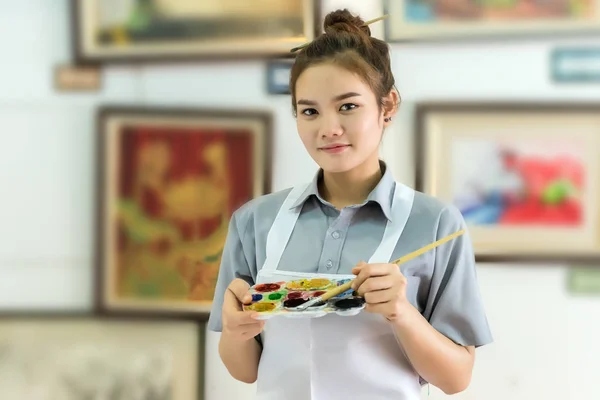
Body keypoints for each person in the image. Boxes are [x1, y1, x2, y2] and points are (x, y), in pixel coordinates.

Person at [207, 8, 493, 400]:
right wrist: (237, 332)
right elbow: (244, 371)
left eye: (348, 106)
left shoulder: (438, 224)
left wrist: (401, 312)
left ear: (387, 106)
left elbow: (456, 378)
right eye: (309, 111)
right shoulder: (254, 221)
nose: (328, 129)